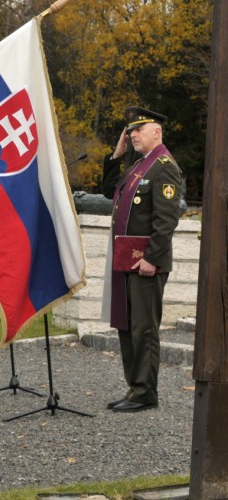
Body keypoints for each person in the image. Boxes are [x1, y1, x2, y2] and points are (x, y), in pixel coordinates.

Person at [100, 106, 182, 413]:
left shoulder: (163, 166)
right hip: (127, 260)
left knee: (144, 328)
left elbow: (166, 219)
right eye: (130, 131)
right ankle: (136, 387)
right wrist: (116, 156)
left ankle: (146, 392)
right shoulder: (139, 165)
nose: (132, 134)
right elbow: (110, 191)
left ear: (156, 131)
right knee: (127, 324)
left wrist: (152, 258)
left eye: (138, 129)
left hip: (145, 263)